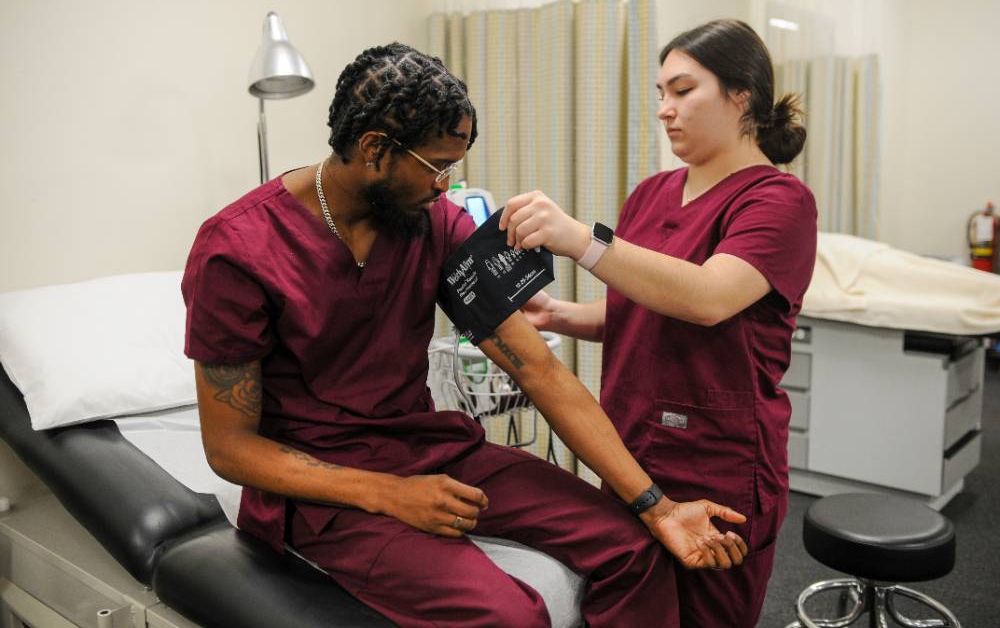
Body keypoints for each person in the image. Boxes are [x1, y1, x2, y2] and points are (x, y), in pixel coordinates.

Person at [182, 42, 748, 628]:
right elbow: (230, 448)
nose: (446, 186)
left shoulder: (436, 226)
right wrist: (386, 494)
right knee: (509, 616)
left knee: (631, 549)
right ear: (375, 150)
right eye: (436, 167)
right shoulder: (237, 251)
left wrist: (656, 507)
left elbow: (539, 370)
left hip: (431, 451)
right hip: (319, 493)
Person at [500, 19, 818, 627]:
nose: (665, 110)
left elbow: (707, 298)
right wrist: (558, 314)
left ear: (741, 96)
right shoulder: (650, 194)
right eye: (659, 94)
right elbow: (640, 314)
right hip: (628, 454)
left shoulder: (778, 201)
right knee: (622, 609)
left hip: (716, 463)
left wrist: (579, 239)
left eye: (682, 90)